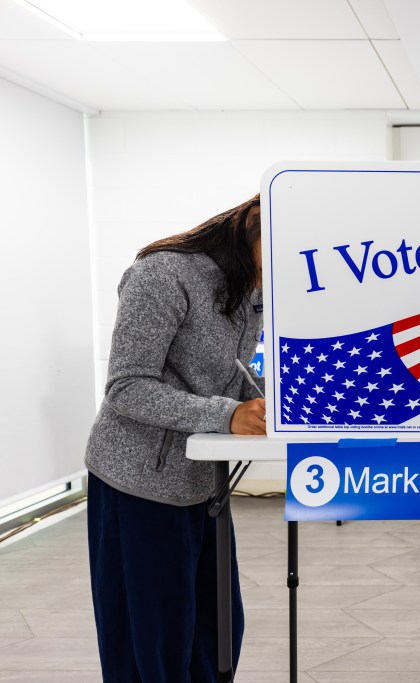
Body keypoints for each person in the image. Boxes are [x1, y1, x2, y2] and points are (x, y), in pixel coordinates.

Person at [84, 194, 266, 681]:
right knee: (153, 639)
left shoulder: (252, 289)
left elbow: (228, 369)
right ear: (251, 222)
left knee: (219, 631)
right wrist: (228, 415)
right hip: (136, 482)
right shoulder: (162, 275)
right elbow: (128, 388)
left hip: (202, 483)